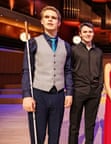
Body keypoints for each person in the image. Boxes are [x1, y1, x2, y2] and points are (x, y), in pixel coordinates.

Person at [22, 6, 73, 144]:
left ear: (59, 23)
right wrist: (27, 95)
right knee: (38, 136)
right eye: (47, 17)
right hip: (39, 94)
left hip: (58, 95)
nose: (50, 20)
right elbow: (27, 70)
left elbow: (68, 71)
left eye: (54, 17)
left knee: (55, 135)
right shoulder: (32, 43)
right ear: (42, 21)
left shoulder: (66, 46)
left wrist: (69, 93)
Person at [68, 22, 103, 144]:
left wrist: (99, 88)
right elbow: (69, 70)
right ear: (80, 34)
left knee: (90, 124)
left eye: (90, 32)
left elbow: (100, 71)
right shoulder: (73, 50)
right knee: (74, 124)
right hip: (78, 91)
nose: (88, 34)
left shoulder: (98, 52)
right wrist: (70, 90)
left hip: (94, 92)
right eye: (85, 32)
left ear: (93, 33)